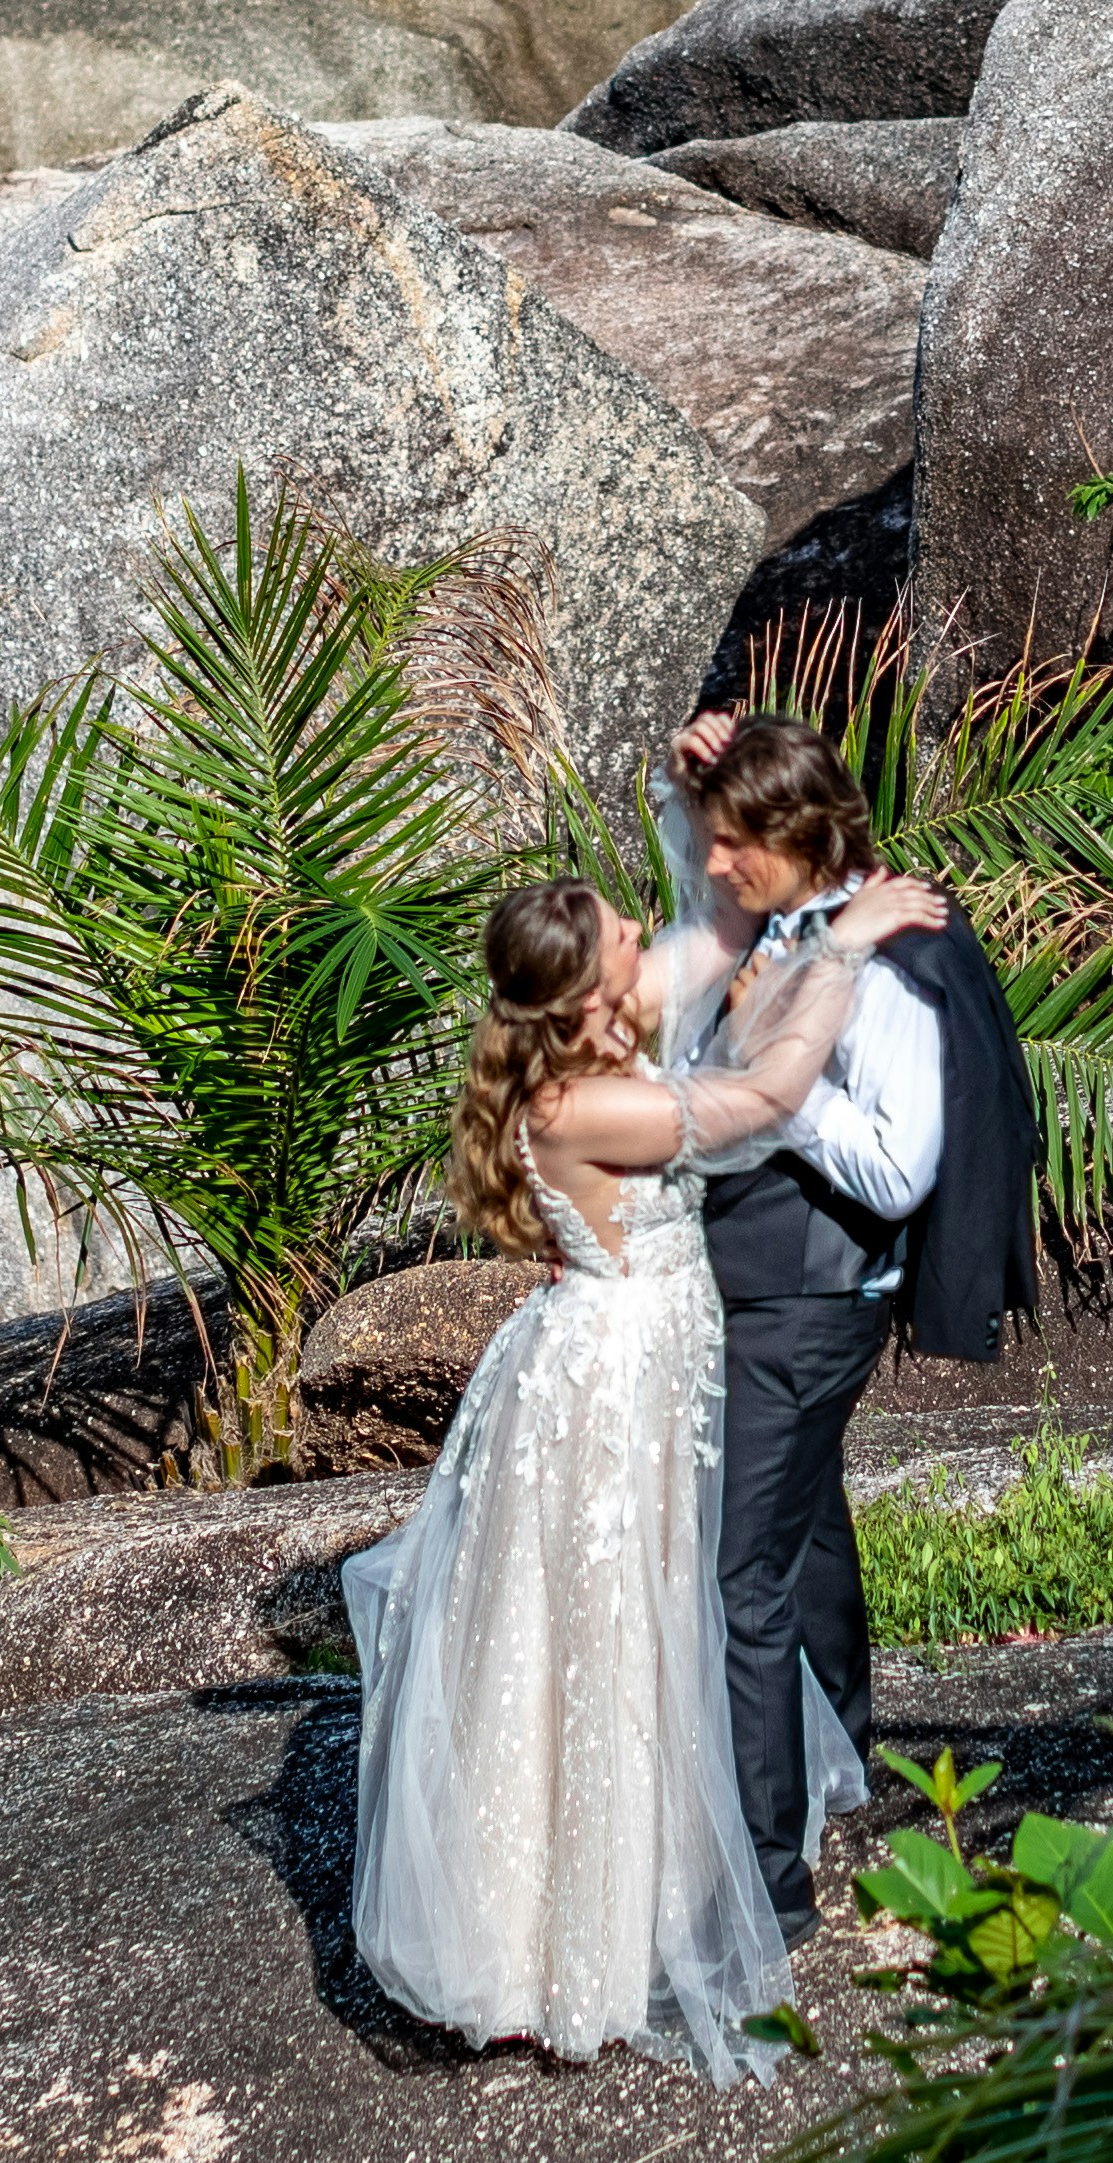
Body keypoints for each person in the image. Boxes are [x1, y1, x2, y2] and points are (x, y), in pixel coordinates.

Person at [341, 852, 956, 2081]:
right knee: (608, 1629)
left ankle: (652, 1882)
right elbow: (767, 1092)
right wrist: (846, 949)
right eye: (623, 931)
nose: (642, 928)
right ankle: (577, 1944)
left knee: (661, 1610)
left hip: (650, 1349)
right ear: (582, 998)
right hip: (614, 1375)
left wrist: (719, 814)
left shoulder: (597, 1031)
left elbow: (716, 930)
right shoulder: (575, 1106)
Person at [665, 707, 1043, 1930]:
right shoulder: (804, 921)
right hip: (761, 1286)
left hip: (811, 1299)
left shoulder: (886, 966)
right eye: (711, 838)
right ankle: (842, 1757)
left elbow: (895, 1171)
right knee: (807, 1522)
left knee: (745, 1578)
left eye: (735, 842)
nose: (716, 862)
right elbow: (705, 932)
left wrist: (779, 1085)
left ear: (796, 838)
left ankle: (771, 1887)